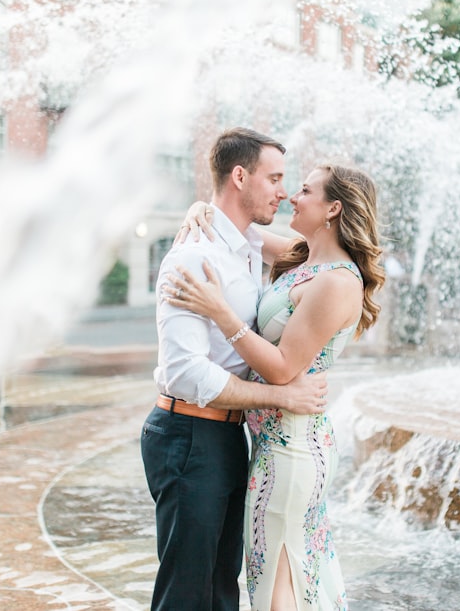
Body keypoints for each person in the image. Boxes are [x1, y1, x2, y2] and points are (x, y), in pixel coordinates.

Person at [165, 164, 385, 610]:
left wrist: (220, 312)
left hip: (294, 449)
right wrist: (199, 209)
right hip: (273, 441)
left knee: (279, 581)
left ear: (333, 208)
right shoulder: (305, 259)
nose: (291, 197)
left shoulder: (337, 282)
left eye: (304, 190)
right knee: (280, 574)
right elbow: (231, 227)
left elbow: (284, 368)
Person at [141, 127, 330, 611]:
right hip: (188, 434)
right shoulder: (193, 256)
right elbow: (187, 374)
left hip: (227, 436)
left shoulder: (246, 246)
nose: (283, 191)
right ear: (240, 176)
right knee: (187, 593)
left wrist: (200, 205)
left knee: (223, 590)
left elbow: (321, 256)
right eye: (275, 179)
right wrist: (282, 396)